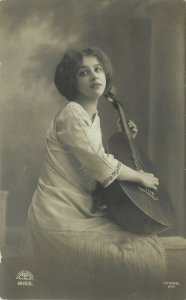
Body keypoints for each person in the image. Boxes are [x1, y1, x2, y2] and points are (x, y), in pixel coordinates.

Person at [24, 47, 166, 296]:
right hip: (58, 215)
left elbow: (93, 164)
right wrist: (140, 177)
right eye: (83, 72)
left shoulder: (93, 118)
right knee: (141, 259)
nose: (94, 76)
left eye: (98, 69)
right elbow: (101, 164)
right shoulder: (71, 114)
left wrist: (126, 138)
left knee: (146, 245)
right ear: (72, 80)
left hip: (83, 210)